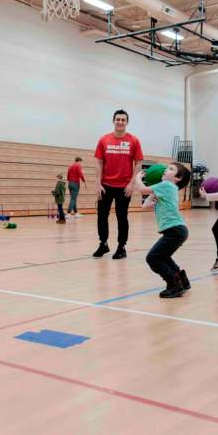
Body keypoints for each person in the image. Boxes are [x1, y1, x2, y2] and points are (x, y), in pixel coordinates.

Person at [132, 163, 192, 298]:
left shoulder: (166, 186)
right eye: (166, 168)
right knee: (163, 256)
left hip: (175, 230)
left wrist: (138, 177)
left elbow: (142, 190)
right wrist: (153, 195)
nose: (165, 170)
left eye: (171, 169)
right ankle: (182, 280)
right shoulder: (168, 188)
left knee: (152, 258)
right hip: (177, 230)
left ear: (178, 177)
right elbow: (145, 205)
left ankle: (174, 285)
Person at [92, 110, 143, 260]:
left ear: (127, 122)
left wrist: (131, 183)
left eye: (123, 120)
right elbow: (98, 162)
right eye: (118, 119)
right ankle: (103, 243)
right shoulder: (104, 140)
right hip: (105, 185)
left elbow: (138, 162)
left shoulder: (133, 141)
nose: (120, 122)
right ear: (113, 121)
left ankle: (121, 247)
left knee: (122, 217)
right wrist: (97, 183)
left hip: (124, 187)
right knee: (102, 216)